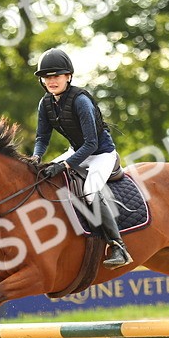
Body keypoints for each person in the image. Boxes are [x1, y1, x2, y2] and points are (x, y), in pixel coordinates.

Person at [32, 47, 133, 268]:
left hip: (101, 154)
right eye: (47, 77)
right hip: (77, 150)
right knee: (40, 176)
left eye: (56, 76)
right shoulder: (46, 104)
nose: (51, 81)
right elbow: (42, 136)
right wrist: (36, 158)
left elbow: (91, 143)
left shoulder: (80, 101)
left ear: (68, 76)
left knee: (89, 190)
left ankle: (118, 246)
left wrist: (66, 165)